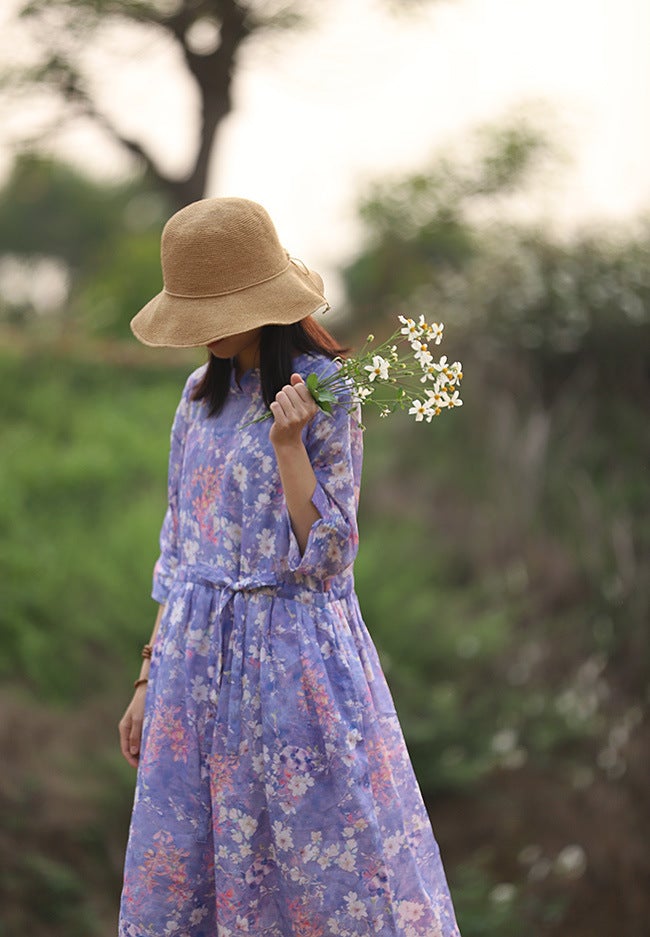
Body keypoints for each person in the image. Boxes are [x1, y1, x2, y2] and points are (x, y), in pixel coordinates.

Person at [118, 197, 461, 936]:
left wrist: (289, 446)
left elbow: (329, 559)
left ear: (263, 304)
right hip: (192, 665)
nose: (203, 332)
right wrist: (148, 676)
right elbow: (180, 548)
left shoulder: (328, 394)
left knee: (322, 872)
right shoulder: (196, 398)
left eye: (216, 310)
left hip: (290, 662)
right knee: (192, 872)